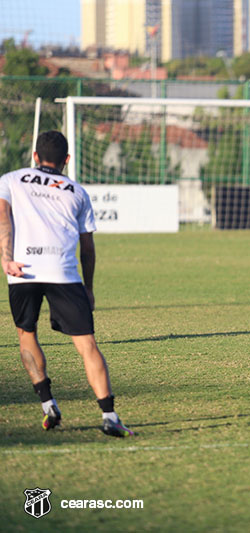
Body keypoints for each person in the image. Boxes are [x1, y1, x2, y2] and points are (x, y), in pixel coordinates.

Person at [0, 130, 133, 437]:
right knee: (87, 346)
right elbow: (88, 248)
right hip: (64, 273)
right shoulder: (77, 191)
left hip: (23, 271)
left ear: (34, 156)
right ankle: (110, 416)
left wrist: (6, 258)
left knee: (26, 334)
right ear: (67, 160)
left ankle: (48, 404)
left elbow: (3, 217)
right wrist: (88, 288)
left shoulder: (11, 179)